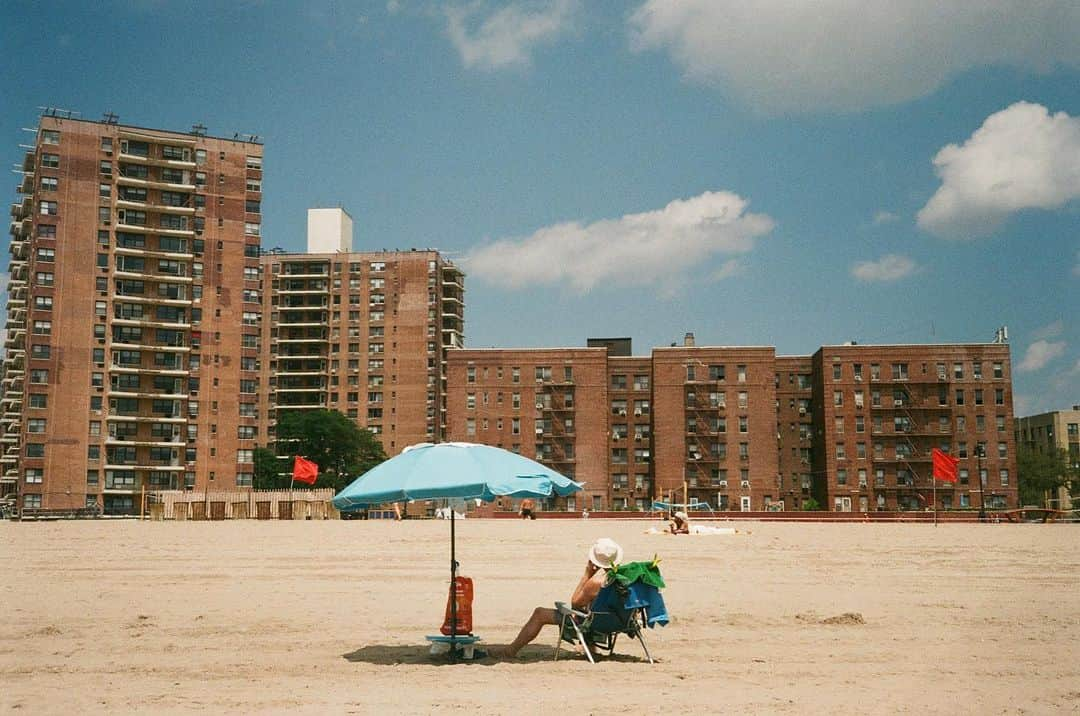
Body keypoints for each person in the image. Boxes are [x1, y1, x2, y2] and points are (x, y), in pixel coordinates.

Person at [498, 538, 623, 659]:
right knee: (592, 606)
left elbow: (575, 603)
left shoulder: (596, 582)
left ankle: (511, 650)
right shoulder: (626, 578)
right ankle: (589, 647)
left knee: (540, 613)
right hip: (620, 621)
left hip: (597, 624)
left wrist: (587, 574)